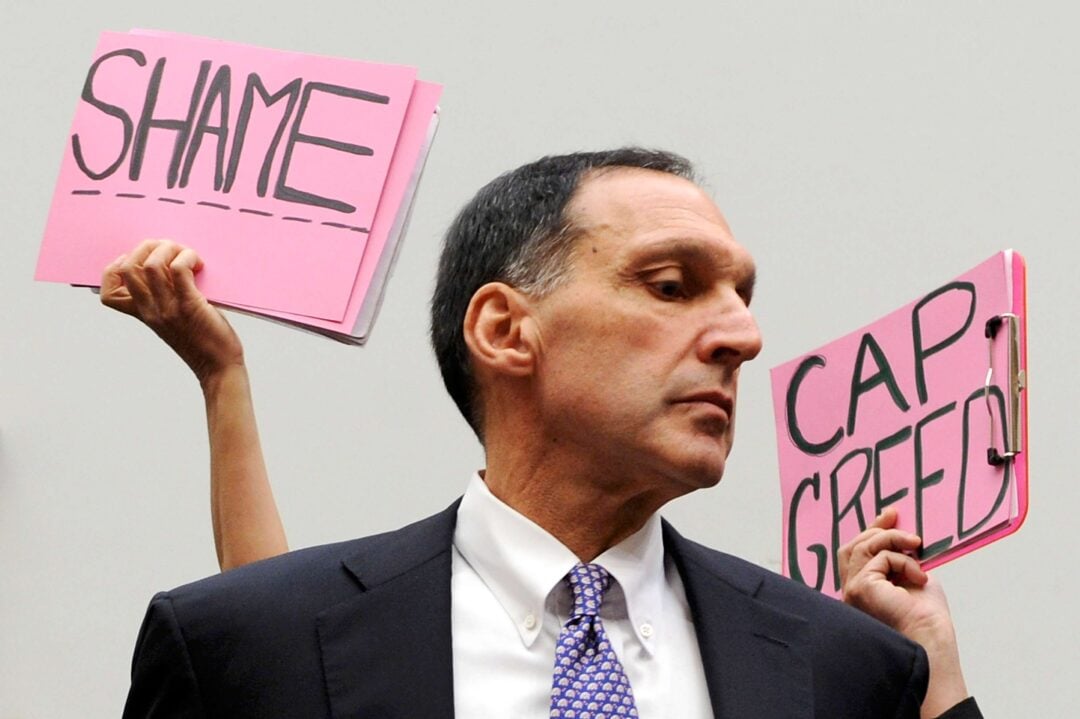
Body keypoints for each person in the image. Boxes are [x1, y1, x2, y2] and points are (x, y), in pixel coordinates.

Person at [112, 149, 981, 718]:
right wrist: (223, 381)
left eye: (742, 299)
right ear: (504, 330)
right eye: (673, 286)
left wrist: (932, 670)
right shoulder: (245, 648)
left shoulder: (845, 671)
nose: (743, 338)